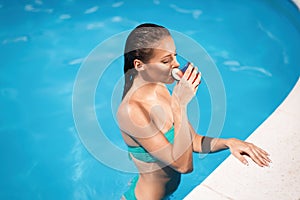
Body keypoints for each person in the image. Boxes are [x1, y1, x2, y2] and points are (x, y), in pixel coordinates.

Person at [117, 23, 271, 200]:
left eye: (174, 57)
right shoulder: (132, 111)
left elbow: (192, 141)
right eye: (166, 61)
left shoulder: (159, 86)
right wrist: (179, 105)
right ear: (139, 65)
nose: (176, 65)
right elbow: (183, 166)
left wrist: (229, 142)